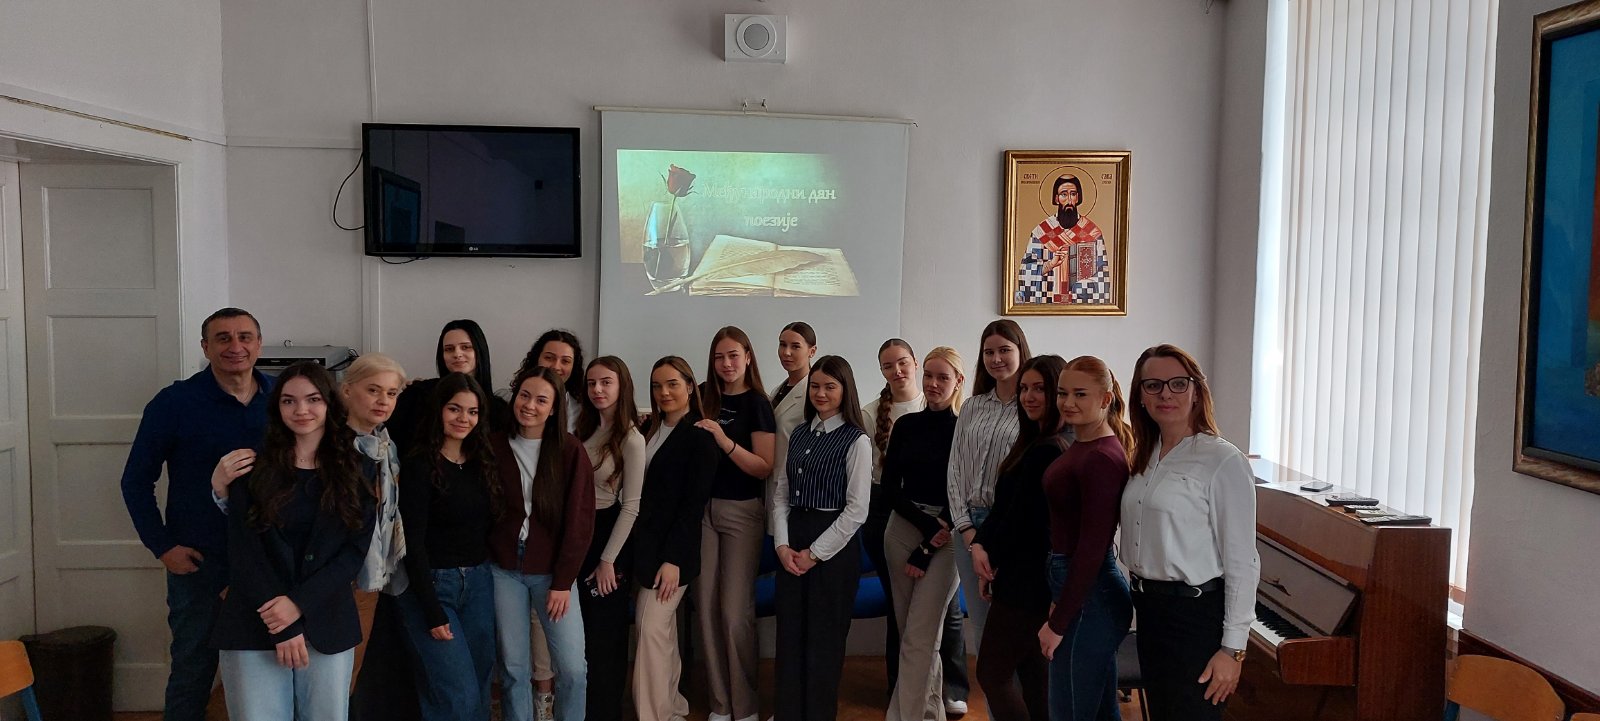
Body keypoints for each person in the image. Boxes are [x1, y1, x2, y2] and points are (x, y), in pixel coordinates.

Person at [215, 354, 416, 720]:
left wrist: (298, 604)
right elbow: (244, 553)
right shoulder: (252, 468)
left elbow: (352, 553)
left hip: (327, 619)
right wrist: (283, 621)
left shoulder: (358, 469)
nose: (301, 410)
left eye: (312, 399)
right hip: (256, 621)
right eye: (289, 400)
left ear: (328, 403)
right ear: (277, 408)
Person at [119, 307, 270, 721]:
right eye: (223, 338)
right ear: (205, 347)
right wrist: (162, 546)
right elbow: (136, 481)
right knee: (193, 668)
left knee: (272, 666)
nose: (235, 346)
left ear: (259, 344)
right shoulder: (174, 403)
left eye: (244, 337)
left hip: (270, 560)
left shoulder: (283, 400)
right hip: (200, 563)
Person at [1120, 345, 1258, 720]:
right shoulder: (1144, 453)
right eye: (1153, 385)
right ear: (1140, 395)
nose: (1166, 394)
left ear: (1197, 391)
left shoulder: (1223, 460)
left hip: (1195, 618)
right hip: (1150, 611)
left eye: (1178, 384)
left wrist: (1232, 650)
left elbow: (1243, 562)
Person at [862, 339, 972, 716]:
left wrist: (932, 541)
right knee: (913, 632)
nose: (933, 384)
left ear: (958, 381)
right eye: (928, 375)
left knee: (920, 638)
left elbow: (964, 491)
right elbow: (891, 489)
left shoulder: (965, 429)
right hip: (903, 529)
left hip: (947, 537)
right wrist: (927, 528)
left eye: (942, 377)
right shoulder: (906, 425)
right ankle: (929, 713)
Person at [489, 366, 596, 721]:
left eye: (541, 400)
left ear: (553, 409)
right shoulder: (493, 446)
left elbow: (580, 522)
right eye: (524, 395)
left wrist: (563, 582)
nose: (530, 405)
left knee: (573, 668)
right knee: (514, 668)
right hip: (504, 569)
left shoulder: (569, 451)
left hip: (553, 573)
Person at [393, 373, 501, 720]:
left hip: (479, 583)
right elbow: (412, 542)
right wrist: (431, 608)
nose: (463, 418)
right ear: (439, 409)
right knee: (457, 697)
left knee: (480, 690)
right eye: (455, 408)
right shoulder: (418, 464)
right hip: (434, 586)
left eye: (472, 412)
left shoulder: (482, 461)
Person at [771, 355, 871, 721]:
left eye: (830, 386)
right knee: (790, 637)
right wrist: (782, 545)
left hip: (833, 548)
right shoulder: (799, 433)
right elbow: (782, 493)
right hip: (793, 537)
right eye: (815, 386)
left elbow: (857, 510)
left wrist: (814, 554)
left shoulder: (856, 440)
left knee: (823, 643)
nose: (821, 393)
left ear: (845, 391)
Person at [970, 355, 1070, 721]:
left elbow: (1023, 522)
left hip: (1028, 582)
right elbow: (1003, 507)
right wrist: (980, 545)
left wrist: (989, 555)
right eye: (1024, 388)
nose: (1028, 396)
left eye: (1039, 388)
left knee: (992, 673)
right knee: (1033, 677)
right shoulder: (1032, 442)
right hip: (1019, 576)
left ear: (1057, 392)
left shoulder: (1050, 448)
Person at [1038, 356, 1135, 721]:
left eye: (1080, 394)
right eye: (1062, 393)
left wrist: (1059, 622)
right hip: (1081, 591)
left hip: (1093, 596)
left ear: (1105, 399)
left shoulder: (1101, 458)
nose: (1068, 402)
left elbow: (1092, 549)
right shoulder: (1084, 445)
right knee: (1101, 713)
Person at [695, 327, 777, 721]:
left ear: (747, 357)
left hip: (741, 512)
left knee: (733, 612)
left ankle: (744, 707)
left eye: (733, 356)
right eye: (719, 357)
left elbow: (763, 467)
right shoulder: (702, 396)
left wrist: (723, 439)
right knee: (705, 606)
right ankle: (720, 704)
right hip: (702, 513)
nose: (726, 364)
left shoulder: (758, 403)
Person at [632, 357, 719, 721]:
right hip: (644, 549)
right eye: (656, 386)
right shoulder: (649, 430)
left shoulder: (700, 436)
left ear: (689, 386)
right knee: (661, 633)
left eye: (672, 384)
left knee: (650, 627)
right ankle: (672, 708)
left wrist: (674, 560)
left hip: (673, 554)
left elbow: (692, 505)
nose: (663, 392)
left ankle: (653, 715)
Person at [948, 319, 1030, 657]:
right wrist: (966, 528)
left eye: (1004, 350)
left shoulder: (1033, 407)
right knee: (982, 625)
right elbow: (955, 470)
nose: (996, 359)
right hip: (967, 527)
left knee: (1013, 625)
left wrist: (991, 534)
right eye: (988, 352)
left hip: (1010, 528)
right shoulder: (972, 406)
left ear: (1021, 351)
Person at [574, 357, 646, 721]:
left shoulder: (631, 438)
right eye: (591, 383)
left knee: (606, 638)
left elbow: (631, 507)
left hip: (609, 538)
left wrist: (608, 560)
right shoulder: (583, 429)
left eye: (606, 382)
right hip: (578, 535)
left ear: (622, 386)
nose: (598, 390)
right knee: (582, 638)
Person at [390, 320, 512, 447]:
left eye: (465, 347)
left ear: (479, 351)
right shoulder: (418, 394)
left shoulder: (498, 411)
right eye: (449, 349)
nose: (457, 354)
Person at [1014, 174, 1111, 305]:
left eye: (1073, 194)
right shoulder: (1041, 232)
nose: (1069, 200)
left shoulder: (1092, 232)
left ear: (1078, 198)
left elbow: (1103, 274)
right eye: (1064, 194)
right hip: (1048, 303)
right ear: (1056, 198)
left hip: (1079, 305)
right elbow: (1025, 271)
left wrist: (1083, 285)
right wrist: (1049, 265)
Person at [518, 328, 585, 431]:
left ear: (574, 367)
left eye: (565, 361)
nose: (556, 367)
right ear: (536, 358)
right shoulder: (511, 401)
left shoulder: (580, 411)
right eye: (549, 358)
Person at [771, 322, 817, 471]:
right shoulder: (776, 391)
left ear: (812, 351)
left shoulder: (814, 395)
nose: (786, 352)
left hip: (796, 477)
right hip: (770, 476)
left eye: (795, 346)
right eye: (782, 345)